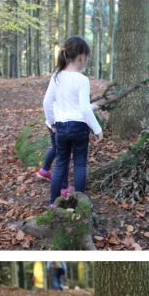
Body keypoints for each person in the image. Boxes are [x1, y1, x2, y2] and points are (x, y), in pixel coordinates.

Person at [43, 36, 103, 207]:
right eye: (87, 58)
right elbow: (84, 109)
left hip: (61, 127)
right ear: (81, 56)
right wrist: (97, 129)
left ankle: (53, 204)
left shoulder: (56, 77)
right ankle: (80, 203)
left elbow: (47, 102)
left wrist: (52, 122)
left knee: (61, 163)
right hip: (79, 127)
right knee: (80, 165)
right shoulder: (82, 80)